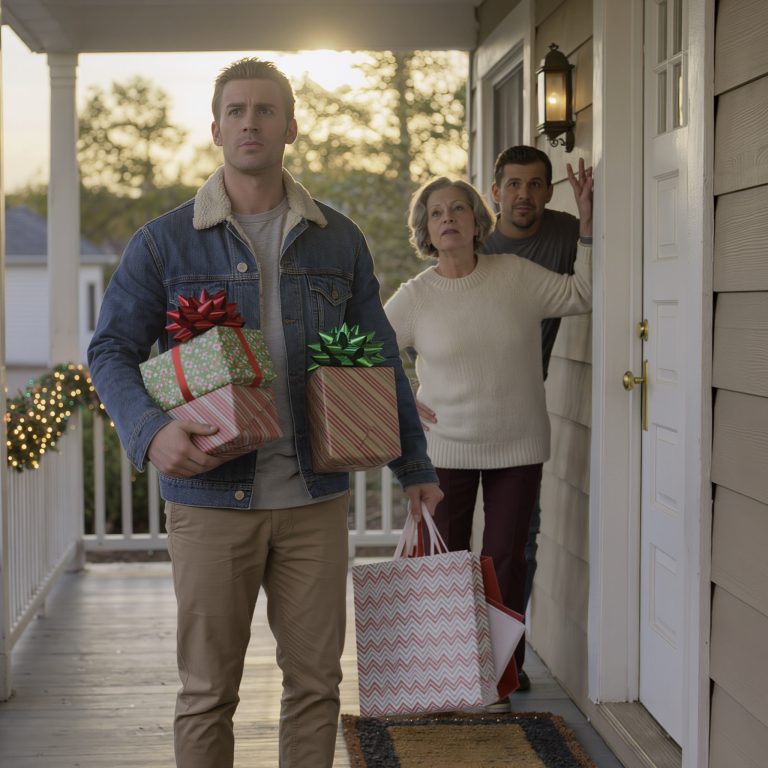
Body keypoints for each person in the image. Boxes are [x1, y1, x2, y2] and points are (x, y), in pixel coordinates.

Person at [87, 57, 442, 768]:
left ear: (290, 127)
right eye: (238, 110)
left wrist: (415, 467)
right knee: (207, 692)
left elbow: (379, 356)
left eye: (266, 110)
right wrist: (151, 434)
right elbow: (110, 351)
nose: (252, 121)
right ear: (215, 127)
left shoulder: (339, 239)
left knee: (315, 684)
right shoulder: (164, 242)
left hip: (315, 498)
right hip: (210, 500)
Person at [384, 169, 592, 710]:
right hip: (445, 447)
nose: (448, 219)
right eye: (436, 213)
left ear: (478, 221)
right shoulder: (415, 297)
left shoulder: (516, 275)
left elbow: (582, 293)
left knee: (504, 560)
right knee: (444, 561)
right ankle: (450, 676)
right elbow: (368, 355)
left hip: (518, 445)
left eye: (458, 209)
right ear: (425, 231)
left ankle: (500, 675)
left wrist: (588, 229)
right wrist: (405, 401)